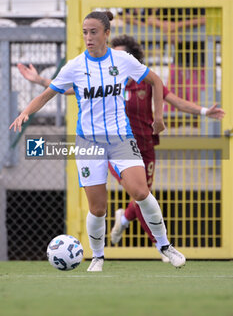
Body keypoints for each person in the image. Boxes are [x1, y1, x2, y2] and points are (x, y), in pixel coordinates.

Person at [17, 34, 225, 263]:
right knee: (136, 193)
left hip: (145, 146)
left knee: (142, 195)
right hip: (114, 146)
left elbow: (176, 101)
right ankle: (159, 246)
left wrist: (205, 112)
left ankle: (125, 219)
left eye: (118, 52)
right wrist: (39, 80)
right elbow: (67, 88)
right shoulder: (97, 79)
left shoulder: (143, 81)